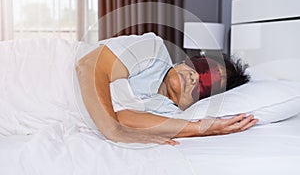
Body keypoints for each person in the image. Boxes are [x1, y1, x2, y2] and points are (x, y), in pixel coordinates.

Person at [76, 33, 258, 145]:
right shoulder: (153, 49)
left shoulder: (171, 114)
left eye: (205, 85)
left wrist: (202, 128)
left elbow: (124, 118)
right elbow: (89, 66)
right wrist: (113, 131)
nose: (194, 76)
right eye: (199, 68)